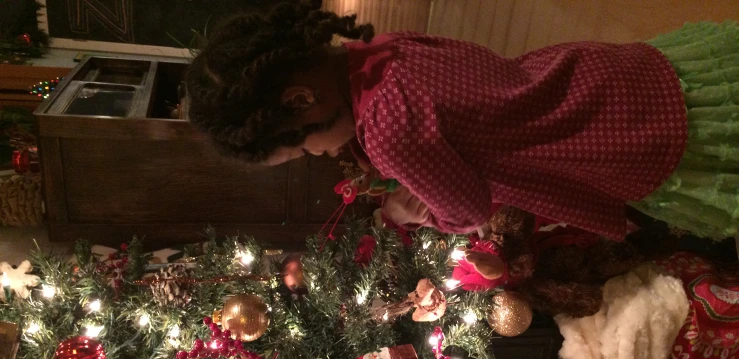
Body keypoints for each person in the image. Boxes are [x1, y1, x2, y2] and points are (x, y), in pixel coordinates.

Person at [186, 0, 739, 242]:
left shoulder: (386, 127)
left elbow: (469, 209)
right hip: (599, 76)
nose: (317, 155)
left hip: (604, 137)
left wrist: (410, 210)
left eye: (300, 148)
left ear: (300, 100)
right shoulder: (383, 50)